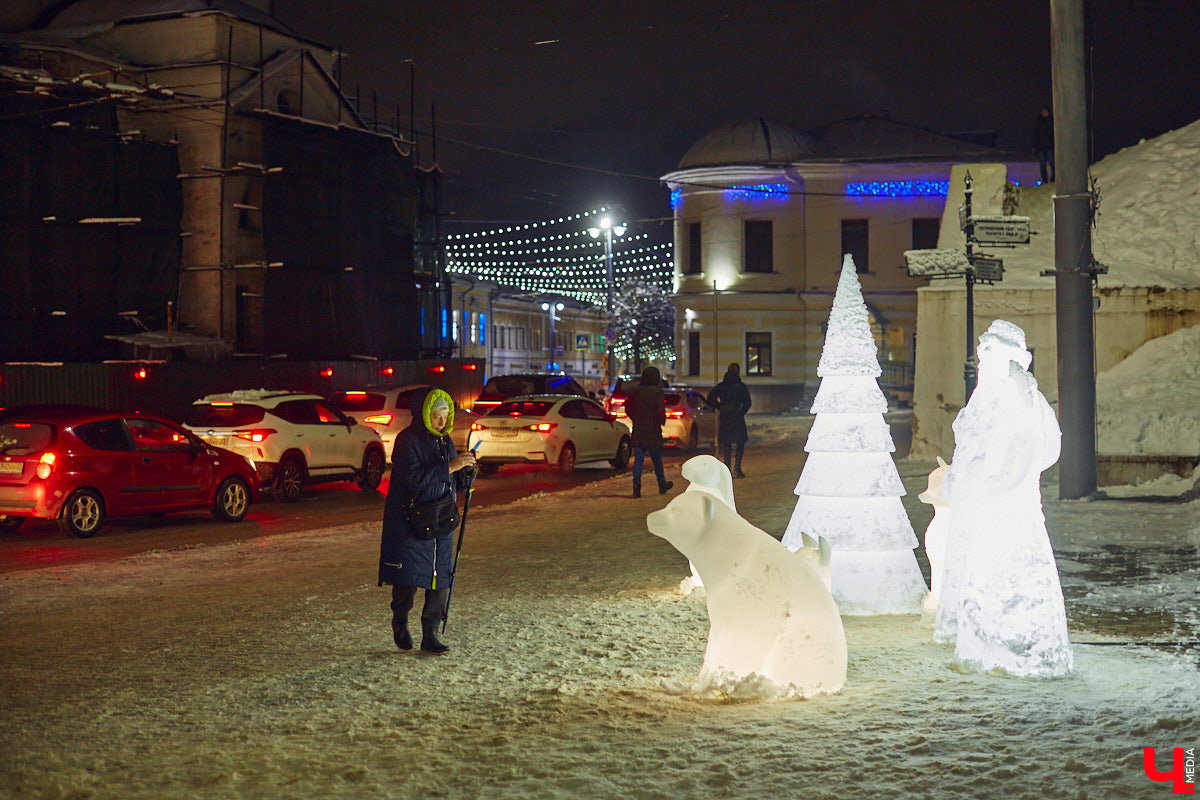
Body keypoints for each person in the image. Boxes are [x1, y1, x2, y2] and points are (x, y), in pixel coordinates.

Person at [933, 320, 1072, 676]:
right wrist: (959, 480)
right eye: (982, 354)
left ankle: (1018, 651)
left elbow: (1036, 449)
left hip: (1009, 512)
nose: (983, 360)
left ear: (1011, 357)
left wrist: (994, 482)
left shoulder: (1022, 399)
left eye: (990, 352)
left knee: (1011, 580)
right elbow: (968, 447)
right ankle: (978, 645)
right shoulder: (982, 400)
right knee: (979, 579)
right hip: (978, 511)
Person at [378, 386, 475, 654]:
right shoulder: (407, 441)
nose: (442, 422)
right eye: (436, 417)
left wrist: (466, 473)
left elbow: (453, 481)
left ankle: (430, 633)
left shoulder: (445, 442)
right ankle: (400, 620)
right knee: (408, 577)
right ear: (423, 414)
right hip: (410, 521)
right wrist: (451, 467)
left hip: (441, 518)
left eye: (445, 416)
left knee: (440, 575)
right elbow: (414, 479)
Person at [625, 365, 673, 499]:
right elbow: (659, 410)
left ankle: (636, 486)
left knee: (639, 459)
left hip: (639, 429)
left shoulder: (636, 391)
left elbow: (628, 408)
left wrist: (636, 418)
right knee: (657, 458)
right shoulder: (657, 392)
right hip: (653, 429)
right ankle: (662, 484)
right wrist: (661, 421)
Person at [706, 363, 752, 478]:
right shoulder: (741, 387)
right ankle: (737, 467)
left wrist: (720, 407)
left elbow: (710, 398)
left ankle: (727, 469)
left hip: (725, 416)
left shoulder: (721, 386)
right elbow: (748, 402)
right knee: (740, 442)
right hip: (737, 416)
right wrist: (741, 412)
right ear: (738, 372)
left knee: (727, 443)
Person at [1032, 105, 1054, 184]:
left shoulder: (1051, 121)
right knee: (1042, 165)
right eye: (1043, 111)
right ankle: (1045, 180)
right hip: (1041, 147)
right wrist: (1034, 145)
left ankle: (1053, 180)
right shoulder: (1039, 121)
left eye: (1045, 111)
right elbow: (1035, 134)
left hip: (1049, 146)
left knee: (1052, 163)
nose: (1044, 113)